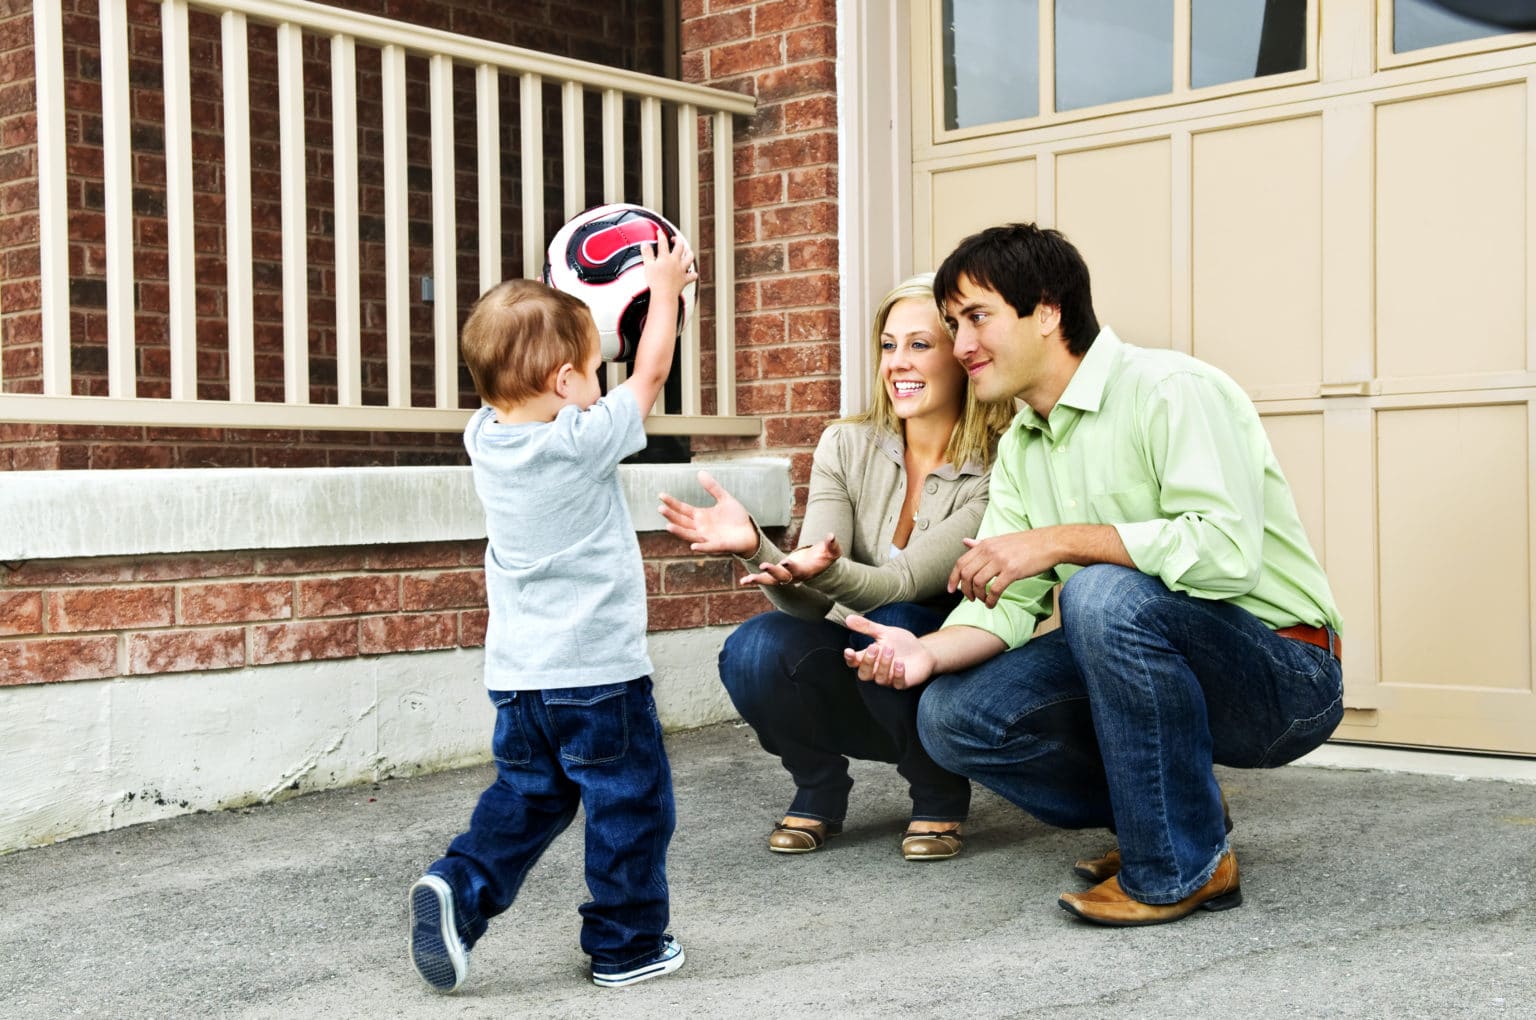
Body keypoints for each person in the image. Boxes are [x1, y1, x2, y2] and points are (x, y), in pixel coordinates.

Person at [844, 224, 1344, 926]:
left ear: (1046, 310)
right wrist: (923, 653)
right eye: (954, 326)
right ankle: (1176, 822)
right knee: (954, 717)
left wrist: (1058, 542)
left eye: (977, 318)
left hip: (1285, 672)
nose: (961, 347)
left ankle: (1174, 869)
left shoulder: (1172, 390)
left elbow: (1229, 555)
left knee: (1100, 593)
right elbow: (1005, 603)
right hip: (1155, 655)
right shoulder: (1022, 443)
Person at [408, 234, 697, 992]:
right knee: (628, 805)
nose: (605, 381)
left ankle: (459, 884)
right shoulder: (580, 441)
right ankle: (628, 944)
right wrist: (663, 290)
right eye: (594, 370)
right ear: (565, 383)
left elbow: (523, 376)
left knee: (529, 797)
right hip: (599, 676)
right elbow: (655, 371)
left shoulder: (485, 439)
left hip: (518, 681)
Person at [658, 274, 1013, 861]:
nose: (899, 362)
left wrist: (813, 570)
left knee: (898, 617)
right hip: (855, 656)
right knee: (752, 648)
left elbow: (897, 586)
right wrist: (759, 550)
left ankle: (937, 791)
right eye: (888, 344)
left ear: (964, 354)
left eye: (921, 344)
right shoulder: (845, 446)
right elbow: (813, 596)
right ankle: (819, 787)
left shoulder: (1000, 466)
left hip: (945, 672)